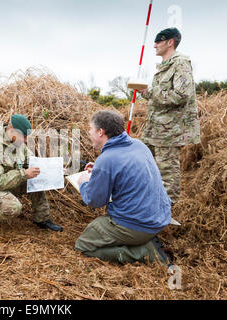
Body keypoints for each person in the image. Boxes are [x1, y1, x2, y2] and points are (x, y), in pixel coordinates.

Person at [75, 110, 172, 265]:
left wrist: (84, 182)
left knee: (84, 245)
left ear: (101, 132)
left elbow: (94, 201)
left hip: (138, 224)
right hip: (159, 217)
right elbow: (126, 171)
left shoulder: (107, 159)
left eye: (90, 129)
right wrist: (100, 171)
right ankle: (143, 241)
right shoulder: (138, 145)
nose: (89, 132)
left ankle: (145, 252)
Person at [0, 114, 63, 232]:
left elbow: (32, 162)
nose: (25, 140)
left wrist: (55, 168)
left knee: (36, 178)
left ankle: (41, 218)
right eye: (23, 136)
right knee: (13, 208)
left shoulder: (17, 143)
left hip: (7, 183)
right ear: (12, 131)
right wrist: (24, 174)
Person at [139, 28, 201, 204]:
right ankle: (148, 206)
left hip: (169, 132)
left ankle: (165, 215)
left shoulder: (180, 63)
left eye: (158, 41)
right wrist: (146, 92)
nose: (154, 45)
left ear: (170, 42)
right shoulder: (165, 66)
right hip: (156, 129)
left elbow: (182, 95)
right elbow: (160, 96)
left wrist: (152, 92)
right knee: (145, 165)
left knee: (168, 176)